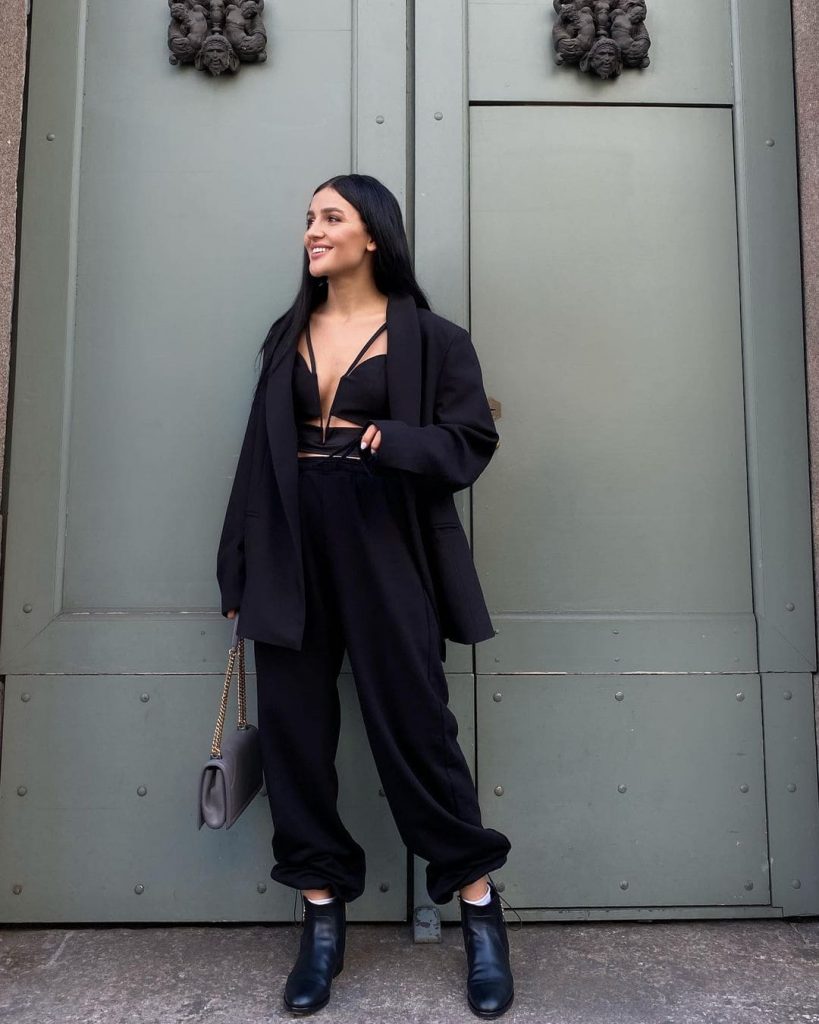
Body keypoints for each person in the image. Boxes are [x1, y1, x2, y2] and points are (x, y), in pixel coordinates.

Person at [217, 173, 514, 1018]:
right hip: (289, 544)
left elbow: (470, 441)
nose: (312, 230)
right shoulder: (287, 333)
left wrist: (397, 441)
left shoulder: (433, 339)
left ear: (372, 233)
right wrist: (236, 565)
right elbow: (255, 455)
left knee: (415, 725)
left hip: (384, 539)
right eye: (308, 218)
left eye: (330, 217)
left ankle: (478, 905)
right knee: (295, 735)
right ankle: (321, 917)